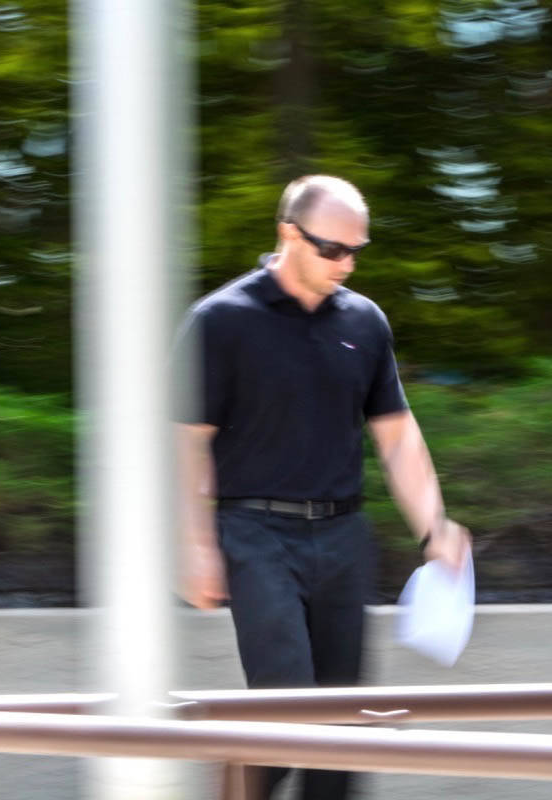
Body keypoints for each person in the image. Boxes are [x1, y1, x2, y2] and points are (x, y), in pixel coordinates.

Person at [172, 174, 471, 800]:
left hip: (342, 535)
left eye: (356, 250)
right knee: (286, 706)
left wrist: (435, 527)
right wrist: (193, 544)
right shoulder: (221, 320)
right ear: (287, 234)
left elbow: (396, 435)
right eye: (332, 249)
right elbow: (186, 443)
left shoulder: (364, 321)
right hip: (254, 533)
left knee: (341, 729)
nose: (347, 263)